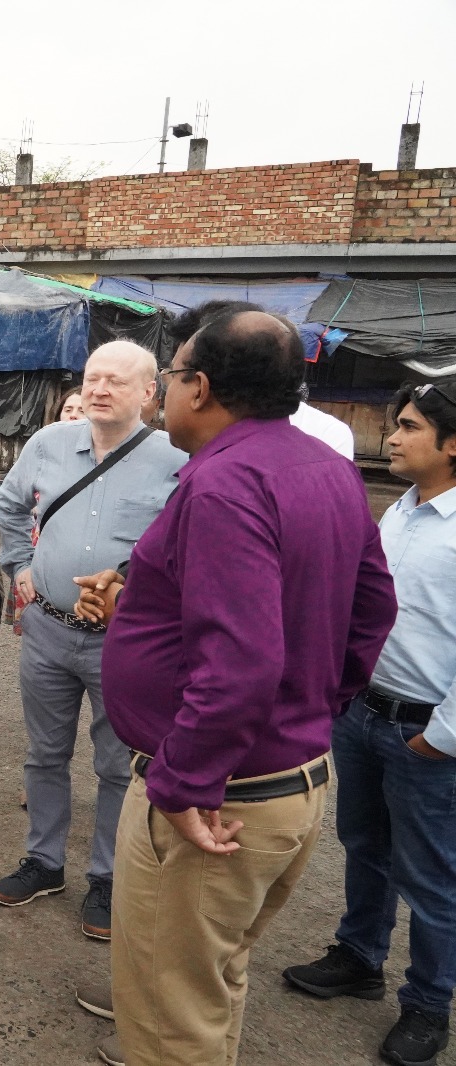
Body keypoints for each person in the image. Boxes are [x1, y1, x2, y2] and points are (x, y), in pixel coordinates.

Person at [89, 308, 396, 1066]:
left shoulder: (226, 482)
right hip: (285, 776)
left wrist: (185, 780)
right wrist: (313, 710)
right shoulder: (325, 465)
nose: (166, 392)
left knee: (171, 1023)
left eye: (171, 376)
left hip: (220, 797)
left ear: (201, 387)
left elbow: (242, 662)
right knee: (210, 985)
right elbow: (372, 609)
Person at [281, 380, 456, 1066]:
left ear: (451, 444)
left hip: (427, 733)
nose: (393, 437)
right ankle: (359, 957)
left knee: (433, 876)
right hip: (364, 712)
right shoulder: (400, 512)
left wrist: (440, 736)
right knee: (364, 846)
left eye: (410, 427)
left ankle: (428, 1003)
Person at [0, 341, 186, 943]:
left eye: (116, 382)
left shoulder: (177, 458)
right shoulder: (48, 443)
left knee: (118, 765)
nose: (99, 389)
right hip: (46, 629)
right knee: (44, 752)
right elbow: (9, 504)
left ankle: (107, 875)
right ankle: (44, 861)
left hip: (126, 645)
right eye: (92, 377)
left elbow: (188, 546)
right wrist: (18, 567)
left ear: (149, 393)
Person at [168, 301, 355, 460]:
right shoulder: (337, 468)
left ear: (201, 388)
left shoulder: (216, 485)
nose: (168, 386)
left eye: (175, 374)